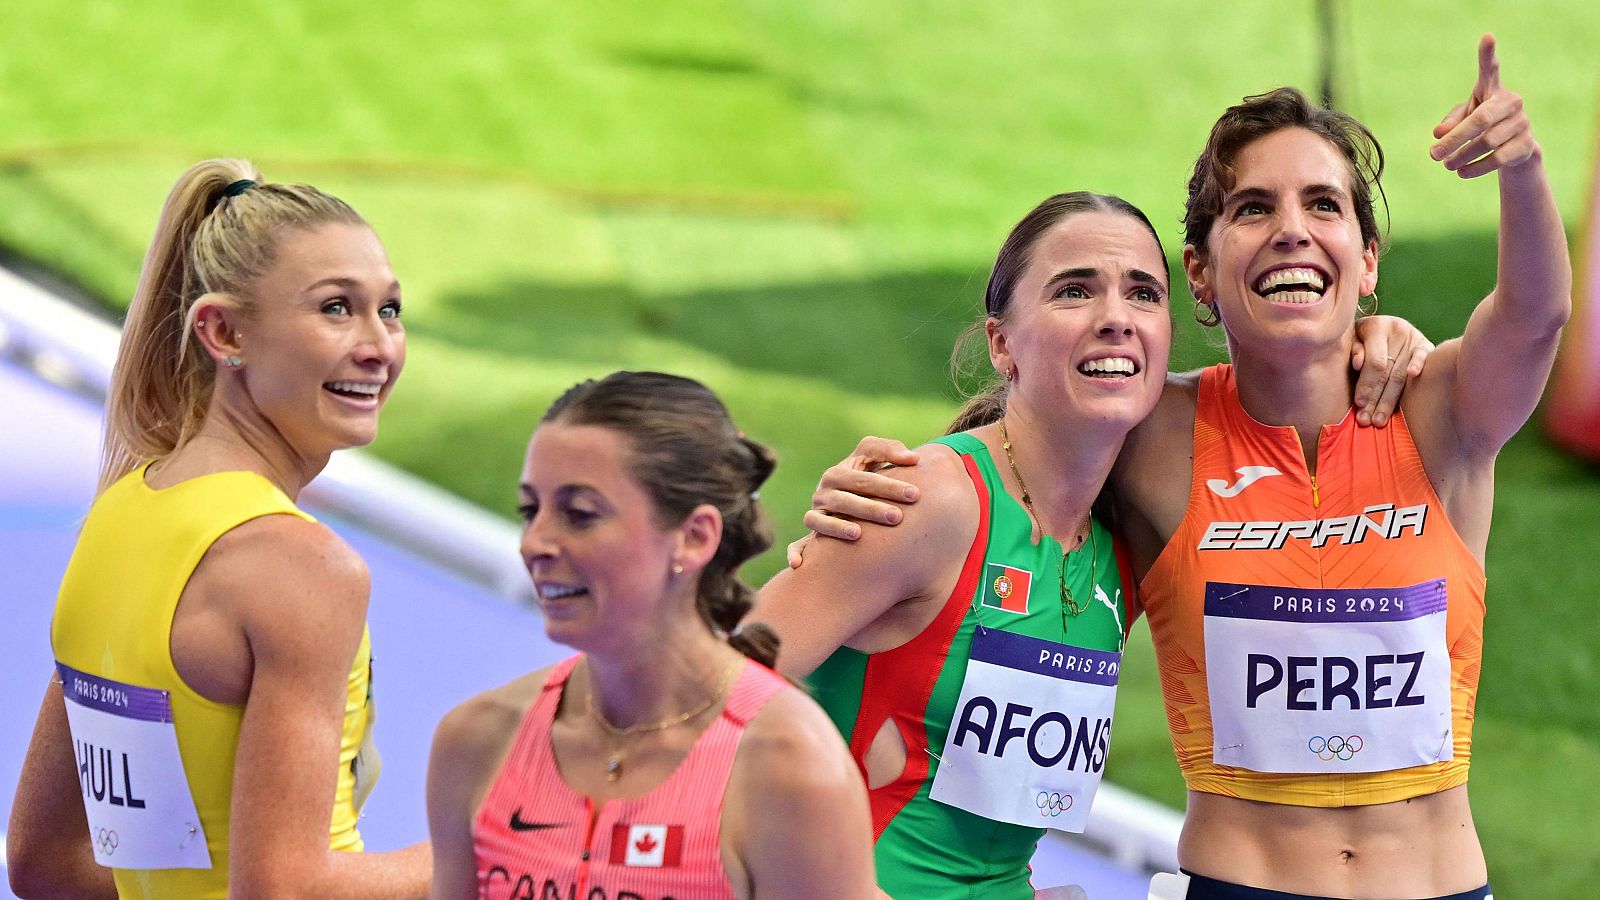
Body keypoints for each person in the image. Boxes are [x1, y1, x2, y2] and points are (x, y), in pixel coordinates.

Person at [795, 36, 1563, 900]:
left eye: (1323, 205)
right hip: (1237, 885)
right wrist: (888, 492)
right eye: (1252, 209)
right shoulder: (1154, 433)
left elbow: (1537, 318)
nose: (1291, 231)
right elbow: (1029, 433)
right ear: (1198, 271)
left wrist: (1522, 167)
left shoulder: (1442, 412)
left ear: (1368, 257)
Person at [7, 160, 430, 899]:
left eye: (388, 310)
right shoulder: (299, 566)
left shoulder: (119, 513)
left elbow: (42, 861)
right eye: (336, 308)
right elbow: (282, 891)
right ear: (223, 330)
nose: (378, 346)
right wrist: (483, 842)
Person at [755, 191, 1173, 900]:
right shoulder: (931, 501)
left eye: (1143, 293)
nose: (1115, 318)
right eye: (1074, 290)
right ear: (1001, 343)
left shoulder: (1119, 543)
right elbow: (701, 698)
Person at [423, 371, 881, 900]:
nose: (535, 542)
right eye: (531, 510)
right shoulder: (477, 740)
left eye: (580, 514)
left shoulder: (790, 769)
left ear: (694, 537)